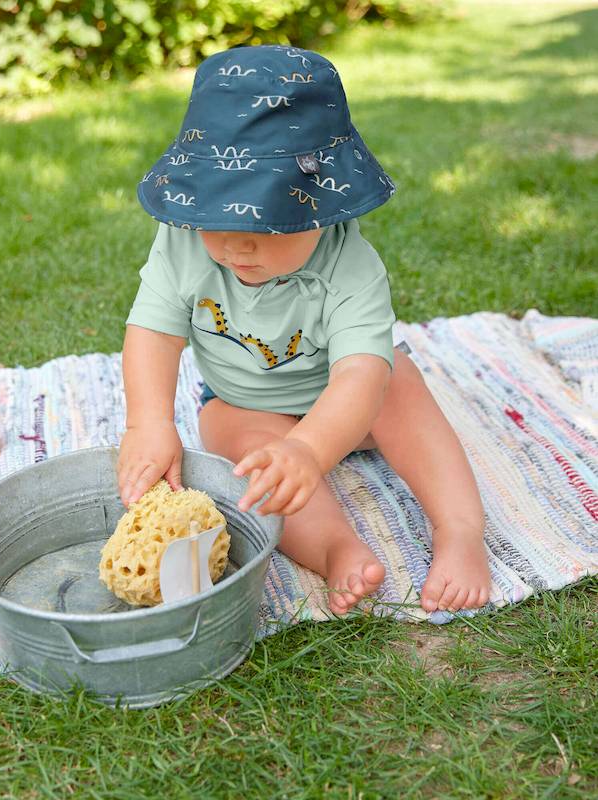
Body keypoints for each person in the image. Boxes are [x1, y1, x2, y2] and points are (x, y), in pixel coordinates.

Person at [118, 44, 490, 615]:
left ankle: (460, 530)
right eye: (217, 216)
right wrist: (148, 422)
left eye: (268, 223)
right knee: (236, 450)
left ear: (322, 205)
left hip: (349, 402)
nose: (239, 243)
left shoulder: (349, 265)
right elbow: (153, 332)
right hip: (247, 401)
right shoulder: (182, 242)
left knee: (398, 386)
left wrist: (311, 448)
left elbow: (360, 375)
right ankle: (336, 547)